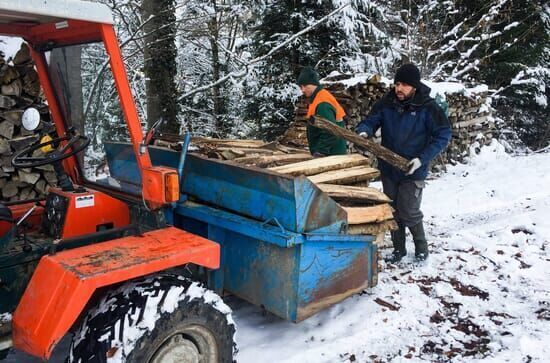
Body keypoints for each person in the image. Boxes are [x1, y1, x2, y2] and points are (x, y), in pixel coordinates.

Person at [356, 63, 451, 263]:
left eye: (405, 85)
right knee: (393, 210)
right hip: (389, 167)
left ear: (414, 86)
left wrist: (422, 159)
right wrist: (365, 131)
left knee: (409, 210)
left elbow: (443, 134)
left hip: (413, 169)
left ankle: (421, 248)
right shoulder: (387, 102)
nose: (399, 88)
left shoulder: (428, 107)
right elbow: (371, 120)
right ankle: (399, 250)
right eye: (397, 83)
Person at [296, 66, 347, 157]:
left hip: (332, 155)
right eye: (301, 87)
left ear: (313, 84)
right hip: (331, 153)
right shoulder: (317, 98)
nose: (302, 90)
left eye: (305, 86)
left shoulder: (322, 103)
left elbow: (330, 131)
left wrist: (321, 152)